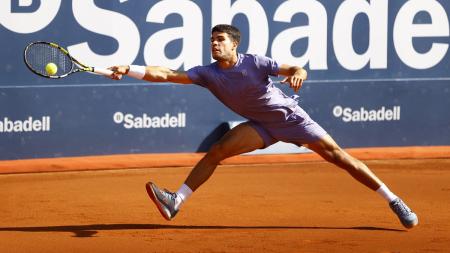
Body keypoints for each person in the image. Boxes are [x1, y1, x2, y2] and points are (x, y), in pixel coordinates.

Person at [109, 24, 418, 229]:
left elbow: (296, 68)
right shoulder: (207, 73)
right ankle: (176, 201)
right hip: (261, 126)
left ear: (234, 45)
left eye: (220, 40)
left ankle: (393, 200)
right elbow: (165, 74)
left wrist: (299, 73)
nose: (214, 44)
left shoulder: (254, 62)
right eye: (211, 41)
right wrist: (130, 68)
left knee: (340, 158)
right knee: (216, 152)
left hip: (291, 120)